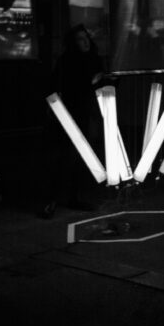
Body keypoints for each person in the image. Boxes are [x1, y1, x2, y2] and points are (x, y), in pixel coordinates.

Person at [40, 25, 105, 218]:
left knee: (80, 158)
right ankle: (52, 199)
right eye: (80, 39)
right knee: (64, 157)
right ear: (73, 43)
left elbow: (100, 84)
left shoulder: (94, 59)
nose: (85, 42)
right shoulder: (66, 61)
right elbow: (57, 85)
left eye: (86, 37)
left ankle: (73, 197)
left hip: (87, 114)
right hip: (69, 114)